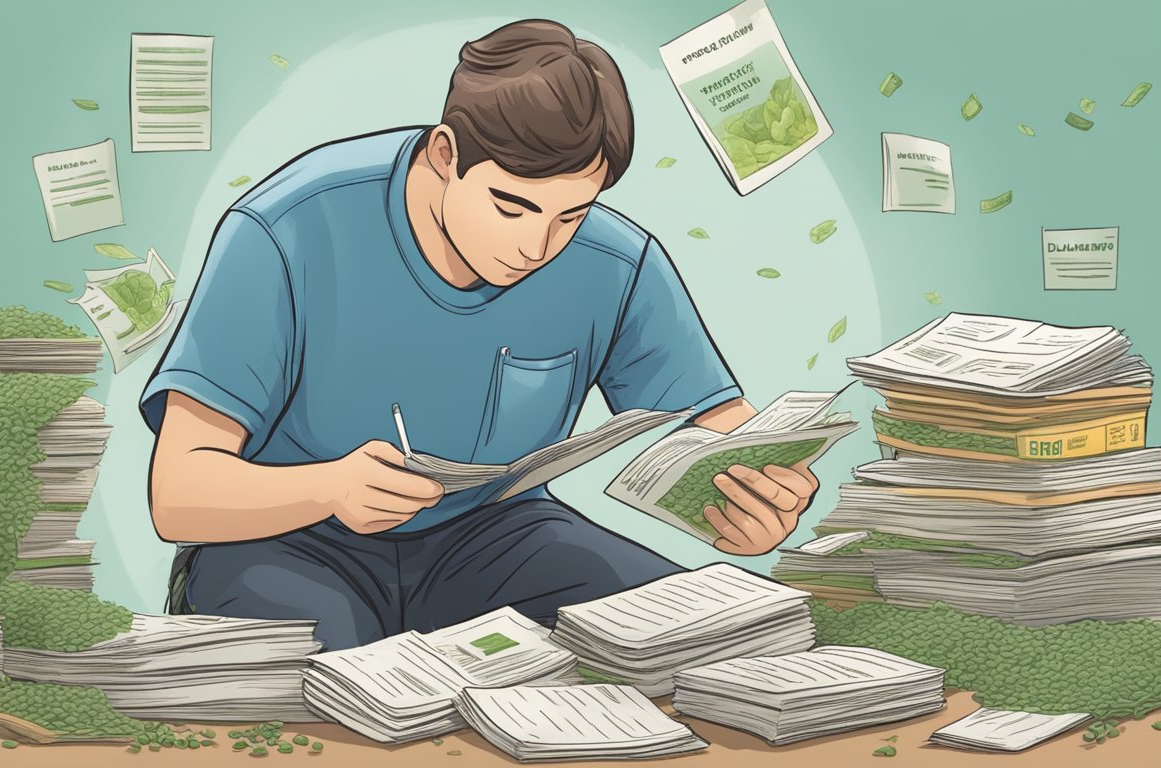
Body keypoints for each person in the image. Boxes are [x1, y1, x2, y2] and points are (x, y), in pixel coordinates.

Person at [138, 19, 818, 652]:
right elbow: (178, 494)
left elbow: (720, 426)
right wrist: (330, 488)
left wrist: (758, 497)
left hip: (498, 537)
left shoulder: (616, 261)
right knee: (342, 689)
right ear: (444, 155)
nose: (536, 246)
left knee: (708, 629)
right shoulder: (284, 230)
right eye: (511, 206)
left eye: (570, 215)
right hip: (288, 539)